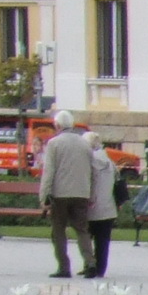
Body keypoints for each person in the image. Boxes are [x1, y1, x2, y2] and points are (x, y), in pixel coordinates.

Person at [38, 109, 99, 278]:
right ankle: (90, 262)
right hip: (81, 193)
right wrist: (91, 194)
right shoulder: (85, 144)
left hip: (60, 194)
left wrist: (44, 196)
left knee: (58, 231)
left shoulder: (54, 144)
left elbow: (49, 172)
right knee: (82, 230)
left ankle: (64, 267)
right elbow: (93, 172)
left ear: (57, 125)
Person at [84, 134, 118, 279]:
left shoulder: (89, 162)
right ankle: (101, 268)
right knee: (103, 241)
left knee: (86, 238)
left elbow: (89, 182)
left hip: (92, 206)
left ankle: (89, 265)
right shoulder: (110, 162)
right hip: (109, 207)